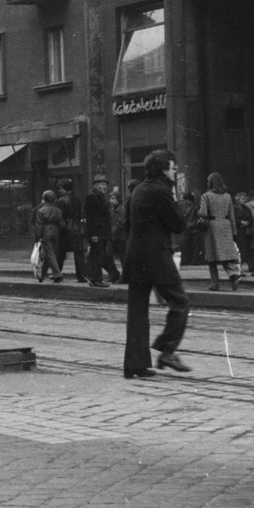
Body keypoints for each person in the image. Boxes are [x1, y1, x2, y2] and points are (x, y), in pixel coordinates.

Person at [122, 148, 189, 379]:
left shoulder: (139, 189)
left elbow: (127, 225)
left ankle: (135, 365)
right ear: (163, 169)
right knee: (180, 303)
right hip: (157, 257)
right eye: (172, 166)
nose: (175, 170)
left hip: (136, 257)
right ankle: (167, 350)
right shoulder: (162, 192)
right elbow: (178, 225)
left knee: (137, 313)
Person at [198, 173, 241, 291]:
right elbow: (232, 216)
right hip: (226, 226)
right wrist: (234, 232)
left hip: (212, 227)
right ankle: (233, 276)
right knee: (226, 255)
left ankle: (214, 284)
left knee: (212, 257)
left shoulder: (206, 196)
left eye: (208, 181)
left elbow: (203, 213)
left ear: (211, 183)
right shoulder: (227, 196)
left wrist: (200, 213)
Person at [83, 175, 118, 287]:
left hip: (102, 233)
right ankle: (95, 279)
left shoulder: (101, 197)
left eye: (105, 185)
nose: (105, 187)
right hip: (97, 233)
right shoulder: (92, 197)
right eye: (102, 185)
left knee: (99, 256)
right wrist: (93, 234)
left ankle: (96, 279)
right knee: (96, 257)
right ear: (95, 186)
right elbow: (90, 218)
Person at [33, 190, 66, 282]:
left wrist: (37, 238)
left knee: (49, 253)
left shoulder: (41, 210)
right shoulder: (58, 210)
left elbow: (38, 226)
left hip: (45, 232)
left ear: (44, 199)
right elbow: (62, 224)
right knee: (51, 253)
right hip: (56, 232)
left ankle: (57, 274)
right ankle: (42, 276)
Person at [57, 179, 86, 282]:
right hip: (76, 228)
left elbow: (61, 217)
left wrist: (60, 228)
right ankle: (82, 275)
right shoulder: (76, 200)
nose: (59, 190)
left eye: (61, 188)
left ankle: (57, 274)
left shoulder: (62, 200)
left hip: (65, 229)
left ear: (65, 189)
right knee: (78, 253)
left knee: (60, 252)